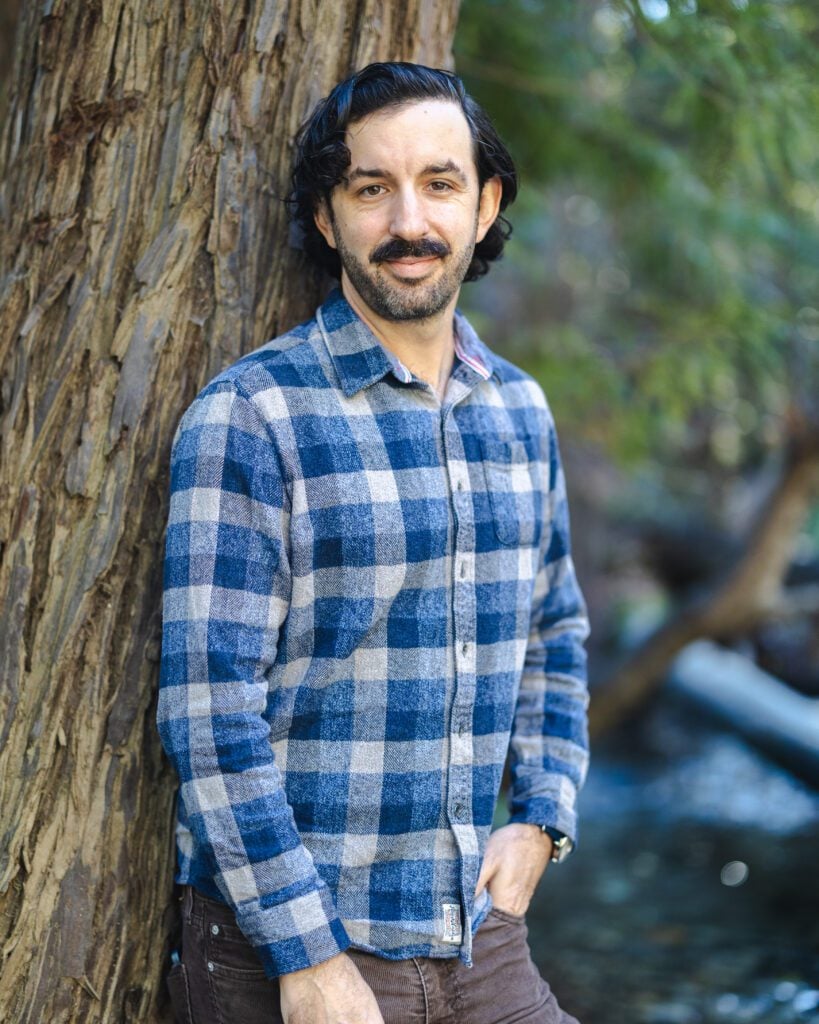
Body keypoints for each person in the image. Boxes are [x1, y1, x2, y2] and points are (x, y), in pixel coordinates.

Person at [157, 61, 590, 1024]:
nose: (408, 222)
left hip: (483, 940)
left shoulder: (519, 408)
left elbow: (555, 630)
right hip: (292, 953)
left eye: (439, 184)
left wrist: (541, 817)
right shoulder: (252, 416)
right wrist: (307, 961)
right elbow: (207, 710)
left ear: (484, 205)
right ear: (327, 216)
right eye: (370, 188)